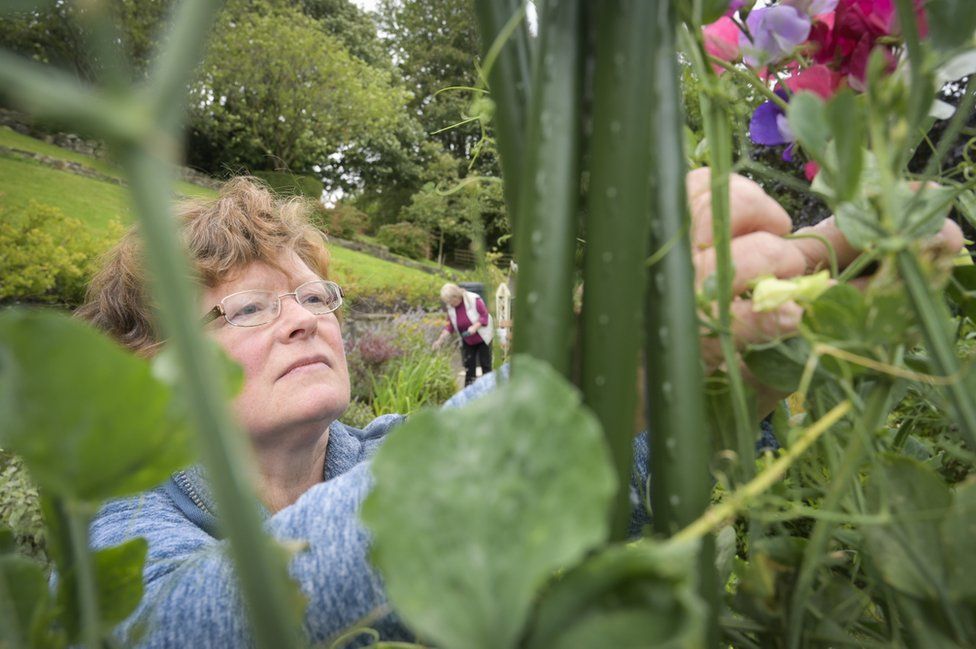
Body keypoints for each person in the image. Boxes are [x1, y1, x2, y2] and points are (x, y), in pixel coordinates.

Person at [77, 173, 963, 648]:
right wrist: (596, 368)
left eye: (318, 296)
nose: (308, 317)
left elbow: (609, 499)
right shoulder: (119, 531)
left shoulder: (388, 450)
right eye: (255, 305)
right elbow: (213, 621)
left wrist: (749, 367)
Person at [433, 283, 494, 386]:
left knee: (485, 365)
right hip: (467, 339)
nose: (449, 304)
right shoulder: (451, 307)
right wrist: (440, 340)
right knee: (469, 367)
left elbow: (484, 316)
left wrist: (475, 327)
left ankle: (490, 390)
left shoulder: (474, 299)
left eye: (450, 301)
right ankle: (469, 393)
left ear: (456, 296)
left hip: (483, 336)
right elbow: (450, 326)